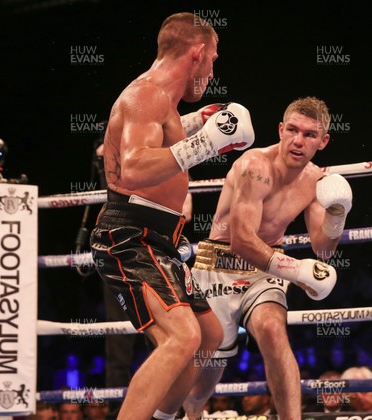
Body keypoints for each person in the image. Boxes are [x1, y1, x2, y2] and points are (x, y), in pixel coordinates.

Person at [89, 12, 255, 420]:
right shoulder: (146, 95)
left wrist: (196, 123)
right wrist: (205, 142)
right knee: (183, 337)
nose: (213, 70)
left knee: (209, 335)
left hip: (157, 238)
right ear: (198, 53)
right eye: (213, 59)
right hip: (129, 235)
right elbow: (134, 166)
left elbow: (152, 136)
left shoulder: (160, 102)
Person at [183, 96, 352, 419]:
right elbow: (241, 240)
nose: (298, 141)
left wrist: (336, 215)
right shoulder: (253, 166)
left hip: (265, 270)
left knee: (274, 331)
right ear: (280, 129)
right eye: (292, 130)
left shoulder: (315, 181)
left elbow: (323, 249)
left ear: (323, 141)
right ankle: (191, 413)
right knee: (209, 369)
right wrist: (295, 270)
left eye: (309, 135)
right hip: (216, 265)